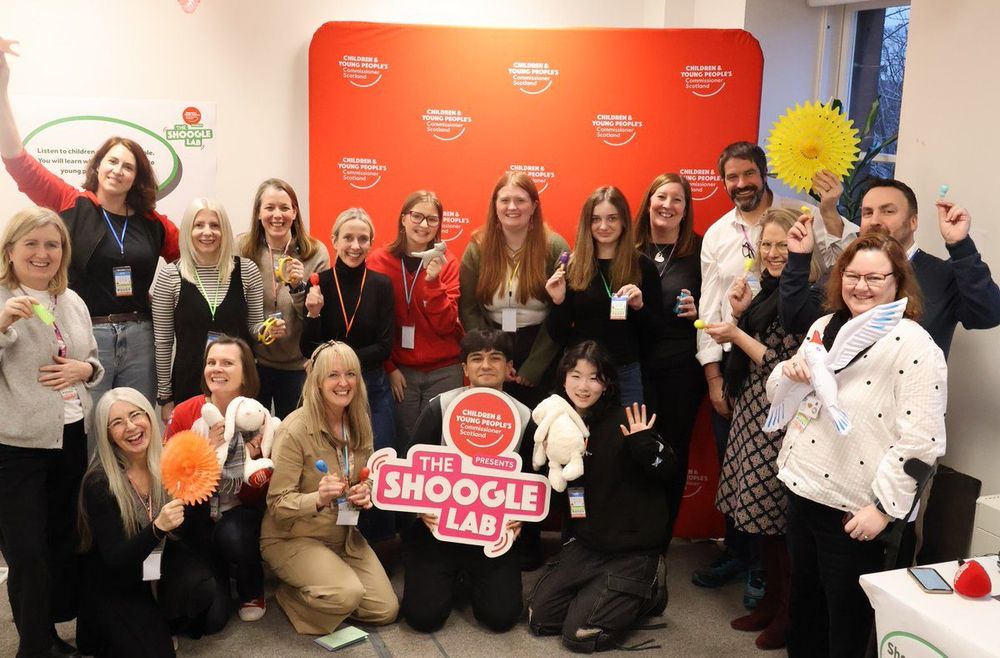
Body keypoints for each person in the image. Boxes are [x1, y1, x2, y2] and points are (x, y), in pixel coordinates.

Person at [770, 231, 947, 657]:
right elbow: (782, 395)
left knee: (846, 626)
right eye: (852, 275)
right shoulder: (825, 326)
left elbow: (922, 443)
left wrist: (884, 509)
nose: (860, 286)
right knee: (805, 614)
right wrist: (789, 374)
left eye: (874, 278)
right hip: (803, 490)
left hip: (854, 512)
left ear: (897, 282)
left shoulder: (915, 346)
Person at [693, 142, 855, 591]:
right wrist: (717, 369)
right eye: (731, 177)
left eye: (748, 173)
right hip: (743, 389)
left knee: (770, 500)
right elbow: (711, 306)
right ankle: (743, 561)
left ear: (763, 173)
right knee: (742, 484)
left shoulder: (804, 225)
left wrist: (829, 209)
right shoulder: (719, 235)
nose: (740, 183)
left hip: (781, 407)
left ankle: (766, 580)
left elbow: (786, 358)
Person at [0, 45, 178, 407]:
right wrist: (2, 88)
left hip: (141, 337)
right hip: (87, 335)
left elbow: (196, 257)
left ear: (137, 177)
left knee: (136, 422)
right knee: (89, 429)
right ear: (97, 166)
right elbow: (17, 160)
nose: (118, 170)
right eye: (112, 161)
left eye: (128, 166)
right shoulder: (71, 202)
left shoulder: (153, 222)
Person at [704, 208, 822, 650]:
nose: (774, 253)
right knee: (763, 526)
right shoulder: (767, 292)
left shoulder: (808, 299)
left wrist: (737, 334)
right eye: (767, 244)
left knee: (780, 525)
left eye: (783, 244)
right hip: (751, 417)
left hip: (780, 424)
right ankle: (772, 602)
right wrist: (741, 314)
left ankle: (790, 615)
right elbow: (755, 354)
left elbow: (785, 368)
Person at [0, 206, 103, 657]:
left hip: (71, 437)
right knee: (26, 550)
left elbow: (92, 361)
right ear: (10, 250)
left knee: (63, 539)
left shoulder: (72, 300)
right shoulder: (2, 298)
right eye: (32, 243)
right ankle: (35, 645)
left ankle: (51, 628)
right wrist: (2, 324)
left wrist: (86, 369)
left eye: (52, 244)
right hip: (16, 446)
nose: (43, 253)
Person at [528, 341, 673, 653]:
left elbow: (669, 471)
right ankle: (600, 591)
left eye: (594, 378)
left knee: (579, 637)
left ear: (606, 384)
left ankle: (649, 590)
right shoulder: (557, 424)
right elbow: (569, 494)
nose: (583, 386)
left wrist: (645, 447)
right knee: (539, 620)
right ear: (563, 378)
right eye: (576, 376)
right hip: (588, 544)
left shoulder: (627, 420)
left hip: (631, 549)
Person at [400, 328, 535, 633]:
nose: (485, 365)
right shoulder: (440, 407)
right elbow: (409, 466)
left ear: (509, 367)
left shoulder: (525, 416)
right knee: (423, 618)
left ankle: (469, 578)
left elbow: (535, 479)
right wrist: (419, 509)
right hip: (437, 532)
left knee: (501, 619)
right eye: (476, 358)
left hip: (492, 534)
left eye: (495, 358)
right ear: (464, 367)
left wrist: (523, 517)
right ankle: (452, 577)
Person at [76, 388, 228, 657]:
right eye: (117, 422)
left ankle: (163, 618)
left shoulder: (171, 461)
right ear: (107, 434)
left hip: (158, 562)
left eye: (136, 415)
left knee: (208, 606)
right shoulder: (99, 482)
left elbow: (193, 534)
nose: (131, 426)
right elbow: (115, 559)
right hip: (118, 578)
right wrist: (157, 528)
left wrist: (200, 484)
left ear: (149, 417)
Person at [260, 341, 398, 635]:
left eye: (350, 374)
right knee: (347, 594)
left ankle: (328, 590)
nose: (343, 383)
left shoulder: (360, 420)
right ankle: (293, 595)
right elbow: (277, 504)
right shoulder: (294, 429)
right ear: (317, 381)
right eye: (333, 375)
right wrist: (318, 498)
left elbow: (366, 475)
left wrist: (366, 491)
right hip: (293, 536)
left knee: (385, 610)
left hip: (344, 534)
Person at [300, 207, 396, 542]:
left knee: (377, 462)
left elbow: (385, 346)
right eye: (348, 238)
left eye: (363, 239)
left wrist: (340, 361)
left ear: (371, 243)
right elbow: (306, 347)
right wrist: (313, 314)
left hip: (372, 386)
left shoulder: (381, 286)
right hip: (329, 393)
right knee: (332, 463)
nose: (355, 246)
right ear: (334, 240)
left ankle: (378, 541)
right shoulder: (319, 284)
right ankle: (331, 537)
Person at [167, 336, 270, 623]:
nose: (217, 369)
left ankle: (251, 586)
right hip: (196, 513)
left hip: (240, 511)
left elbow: (262, 494)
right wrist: (208, 453)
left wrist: (247, 463)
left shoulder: (256, 415)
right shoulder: (185, 413)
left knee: (233, 534)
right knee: (212, 619)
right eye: (211, 362)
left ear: (245, 373)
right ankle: (217, 574)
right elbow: (171, 479)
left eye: (227, 363)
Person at [633, 173, 705, 545]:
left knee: (672, 452)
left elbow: (722, 306)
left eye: (678, 199)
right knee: (633, 448)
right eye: (661, 196)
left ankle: (659, 542)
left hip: (680, 370)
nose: (668, 205)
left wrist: (699, 311)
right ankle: (630, 536)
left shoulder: (700, 250)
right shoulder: (629, 247)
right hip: (633, 368)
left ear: (686, 209)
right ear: (649, 201)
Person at [545, 186, 664, 406]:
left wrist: (639, 308)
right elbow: (557, 334)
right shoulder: (571, 267)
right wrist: (558, 302)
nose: (603, 226)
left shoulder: (643, 267)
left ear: (624, 221)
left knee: (629, 428)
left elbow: (656, 333)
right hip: (580, 374)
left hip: (624, 373)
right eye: (596, 219)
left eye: (612, 218)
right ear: (587, 223)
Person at [460, 172, 569, 409]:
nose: (512, 207)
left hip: (541, 346)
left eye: (520, 200)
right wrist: (492, 357)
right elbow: (468, 307)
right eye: (505, 200)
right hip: (491, 343)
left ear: (534, 206)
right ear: (495, 205)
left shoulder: (554, 246)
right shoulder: (477, 248)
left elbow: (561, 312)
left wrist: (535, 366)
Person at [857, 178, 1000, 357]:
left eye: (888, 211)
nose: (874, 221)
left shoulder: (944, 275)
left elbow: (990, 315)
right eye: (867, 213)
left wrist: (960, 246)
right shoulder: (844, 273)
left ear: (913, 222)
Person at [152, 199, 266, 421]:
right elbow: (163, 342)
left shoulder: (247, 271)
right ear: (188, 230)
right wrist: (165, 398)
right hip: (189, 384)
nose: (207, 232)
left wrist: (267, 330)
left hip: (239, 387)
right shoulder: (170, 276)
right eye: (199, 225)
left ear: (225, 231)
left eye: (215, 225)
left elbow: (255, 327)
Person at [367, 190, 463, 437]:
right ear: (403, 219)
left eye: (432, 219)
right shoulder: (379, 261)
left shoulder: (447, 263)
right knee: (405, 441)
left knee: (440, 443)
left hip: (445, 370)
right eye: (417, 216)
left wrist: (433, 282)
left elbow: (446, 325)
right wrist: (389, 368)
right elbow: (372, 323)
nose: (424, 225)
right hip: (400, 372)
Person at [239, 178, 330, 418]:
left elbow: (315, 317)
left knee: (291, 434)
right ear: (258, 213)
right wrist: (261, 331)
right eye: (269, 208)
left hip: (297, 367)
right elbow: (236, 308)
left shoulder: (315, 253)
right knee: (252, 432)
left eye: (284, 208)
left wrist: (298, 287)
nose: (277, 215)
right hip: (254, 364)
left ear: (295, 212)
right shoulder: (242, 249)